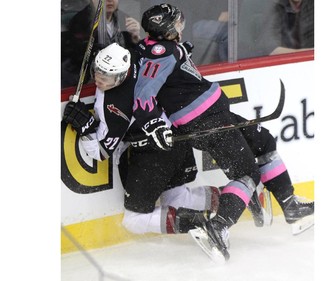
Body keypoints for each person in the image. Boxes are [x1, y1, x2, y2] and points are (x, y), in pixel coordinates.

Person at [133, 3, 313, 262]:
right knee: (246, 173)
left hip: (216, 116)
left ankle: (290, 204)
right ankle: (218, 227)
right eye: (177, 24)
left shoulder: (164, 48)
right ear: (167, 30)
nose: (181, 26)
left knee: (263, 140)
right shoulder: (163, 53)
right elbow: (143, 94)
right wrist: (152, 123)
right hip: (205, 121)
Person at [62, 42, 220, 235]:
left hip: (154, 150)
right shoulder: (135, 55)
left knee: (134, 221)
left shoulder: (114, 105)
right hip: (177, 136)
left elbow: (101, 152)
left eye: (107, 77)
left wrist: (85, 127)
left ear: (121, 76)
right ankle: (230, 200)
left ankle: (200, 224)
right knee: (177, 198)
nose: (99, 79)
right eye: (98, 72)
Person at [61, 0, 141, 88]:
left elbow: (131, 54)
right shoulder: (80, 22)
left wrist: (135, 40)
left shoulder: (124, 19)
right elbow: (76, 58)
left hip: (121, 80)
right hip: (95, 82)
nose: (110, 1)